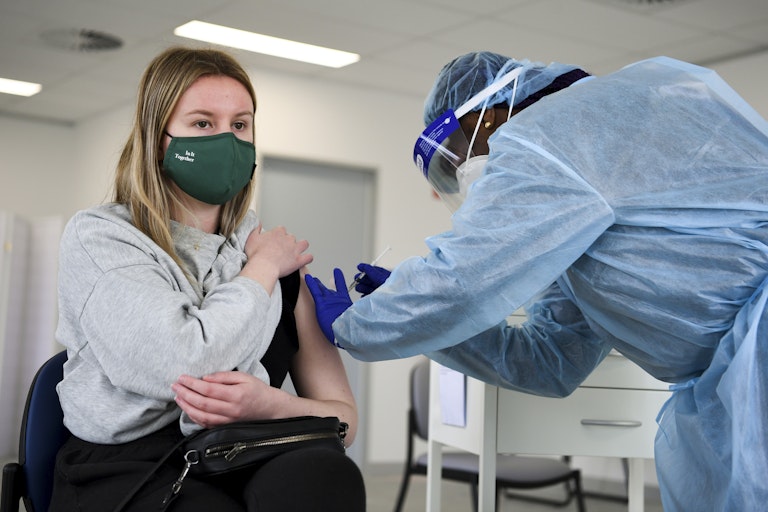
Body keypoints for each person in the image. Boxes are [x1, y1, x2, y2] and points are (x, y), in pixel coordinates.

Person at [305, 51, 768, 511]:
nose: (466, 178)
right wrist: (414, 320)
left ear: (488, 119)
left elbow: (463, 278)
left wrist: (360, 321)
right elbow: (554, 360)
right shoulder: (577, 204)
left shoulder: (554, 132)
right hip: (731, 373)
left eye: (459, 159)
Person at [50, 46, 365, 512]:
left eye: (240, 125)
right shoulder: (103, 238)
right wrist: (260, 269)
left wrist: (270, 406)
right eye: (203, 124)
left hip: (245, 448)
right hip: (129, 464)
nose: (228, 141)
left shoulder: (277, 262)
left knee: (328, 476)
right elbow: (186, 361)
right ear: (159, 138)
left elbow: (344, 420)